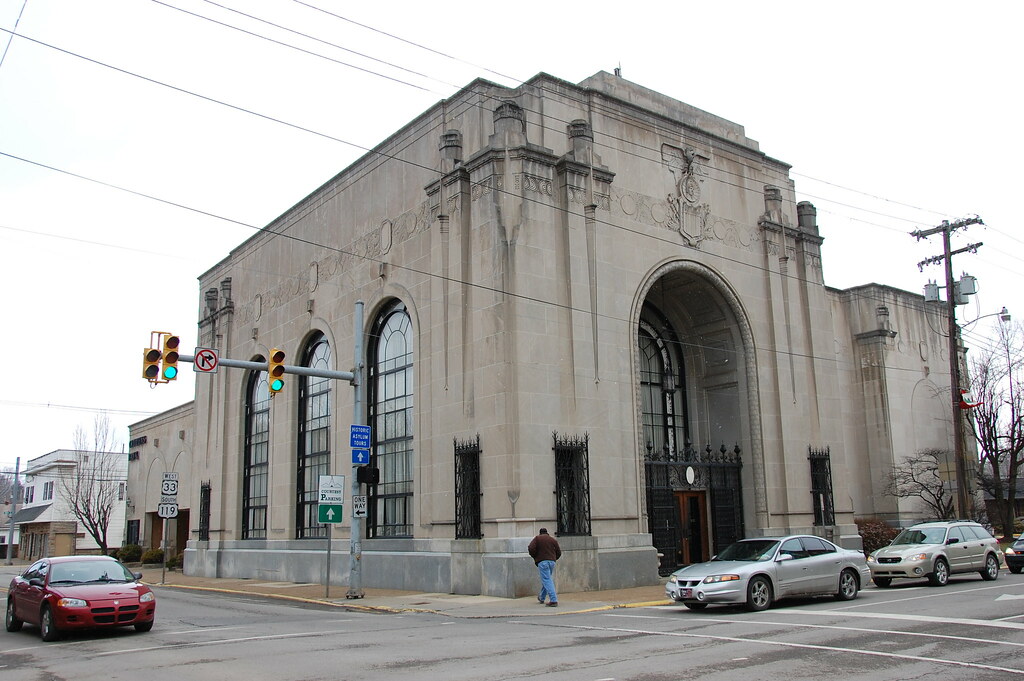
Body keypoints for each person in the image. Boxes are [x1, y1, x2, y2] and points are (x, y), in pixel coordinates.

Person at [528, 527, 561, 607]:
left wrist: (535, 557)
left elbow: (531, 548)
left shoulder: (537, 539)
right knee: (547, 579)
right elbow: (559, 552)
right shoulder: (552, 540)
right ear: (547, 533)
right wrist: (554, 558)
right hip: (552, 561)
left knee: (547, 580)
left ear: (540, 533)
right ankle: (541, 597)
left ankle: (553, 600)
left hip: (542, 561)